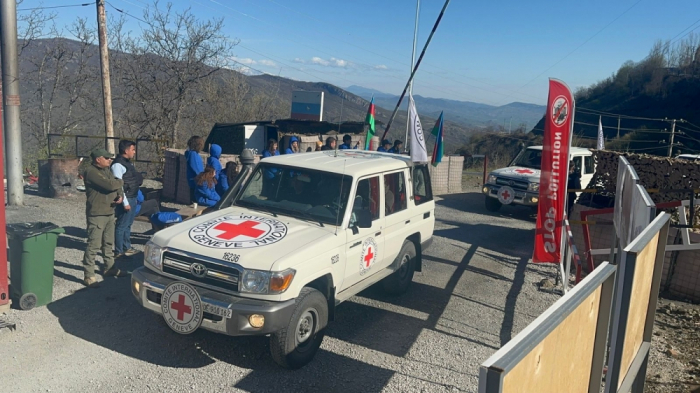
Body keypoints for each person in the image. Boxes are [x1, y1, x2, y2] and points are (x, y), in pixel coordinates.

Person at [82, 148, 127, 288]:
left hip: (109, 211)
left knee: (108, 243)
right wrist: (121, 182)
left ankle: (109, 267)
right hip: (97, 214)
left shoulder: (106, 170)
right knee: (93, 245)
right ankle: (89, 274)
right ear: (98, 159)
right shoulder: (91, 172)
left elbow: (115, 184)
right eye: (107, 158)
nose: (110, 160)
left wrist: (120, 195)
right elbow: (109, 185)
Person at [111, 140, 144, 258]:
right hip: (126, 198)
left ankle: (127, 247)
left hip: (132, 197)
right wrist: (125, 202)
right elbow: (119, 186)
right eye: (132, 149)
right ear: (126, 151)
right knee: (121, 225)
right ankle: (118, 251)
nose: (134, 152)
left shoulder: (127, 163)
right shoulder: (117, 165)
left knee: (128, 224)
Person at [185, 136, 204, 203]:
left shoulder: (193, 154)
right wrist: (203, 177)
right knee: (195, 200)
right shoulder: (193, 155)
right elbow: (196, 168)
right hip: (196, 180)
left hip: (196, 180)